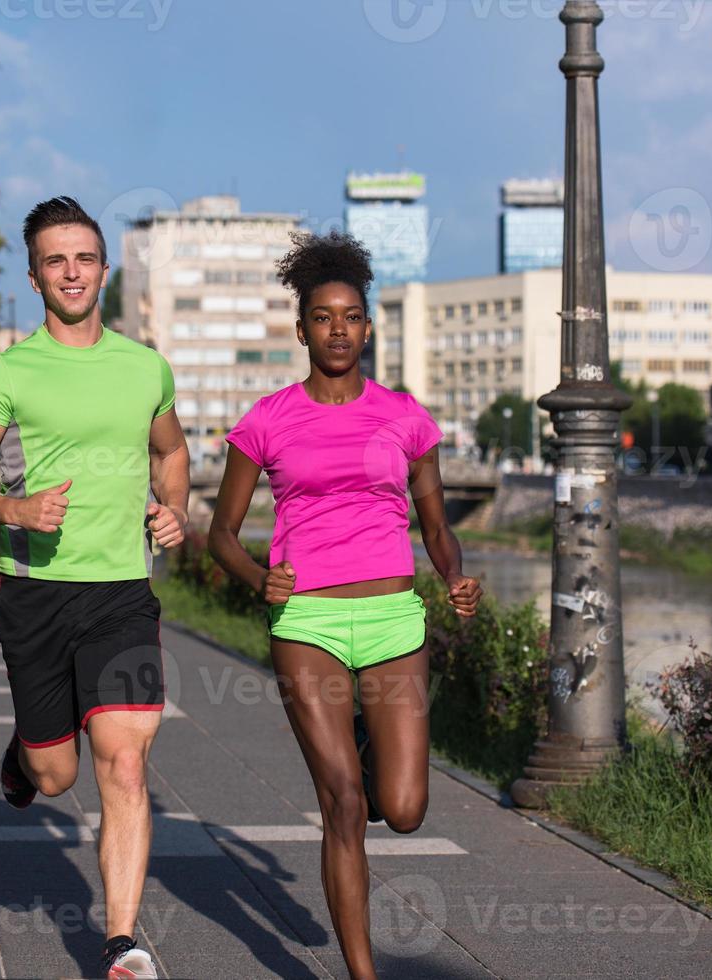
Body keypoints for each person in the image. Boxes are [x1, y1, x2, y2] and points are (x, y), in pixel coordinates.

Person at [207, 231, 483, 980]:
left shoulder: (405, 418)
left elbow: (436, 527)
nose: (337, 329)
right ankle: (361, 975)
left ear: (367, 327)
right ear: (302, 330)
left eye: (350, 316)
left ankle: (368, 740)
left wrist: (453, 573)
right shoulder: (266, 420)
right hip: (309, 625)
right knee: (342, 804)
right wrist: (255, 575)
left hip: (394, 621)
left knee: (403, 808)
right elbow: (219, 534)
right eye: (322, 317)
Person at [0, 196, 189, 980]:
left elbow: (172, 452)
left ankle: (120, 940)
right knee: (56, 775)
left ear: (104, 271)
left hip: (120, 594)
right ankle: (22, 758)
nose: (71, 271)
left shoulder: (143, 365)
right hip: (35, 594)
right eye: (55, 260)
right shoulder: (8, 371)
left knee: (124, 764)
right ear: (36, 277)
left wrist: (172, 510)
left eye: (83, 257)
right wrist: (13, 507)